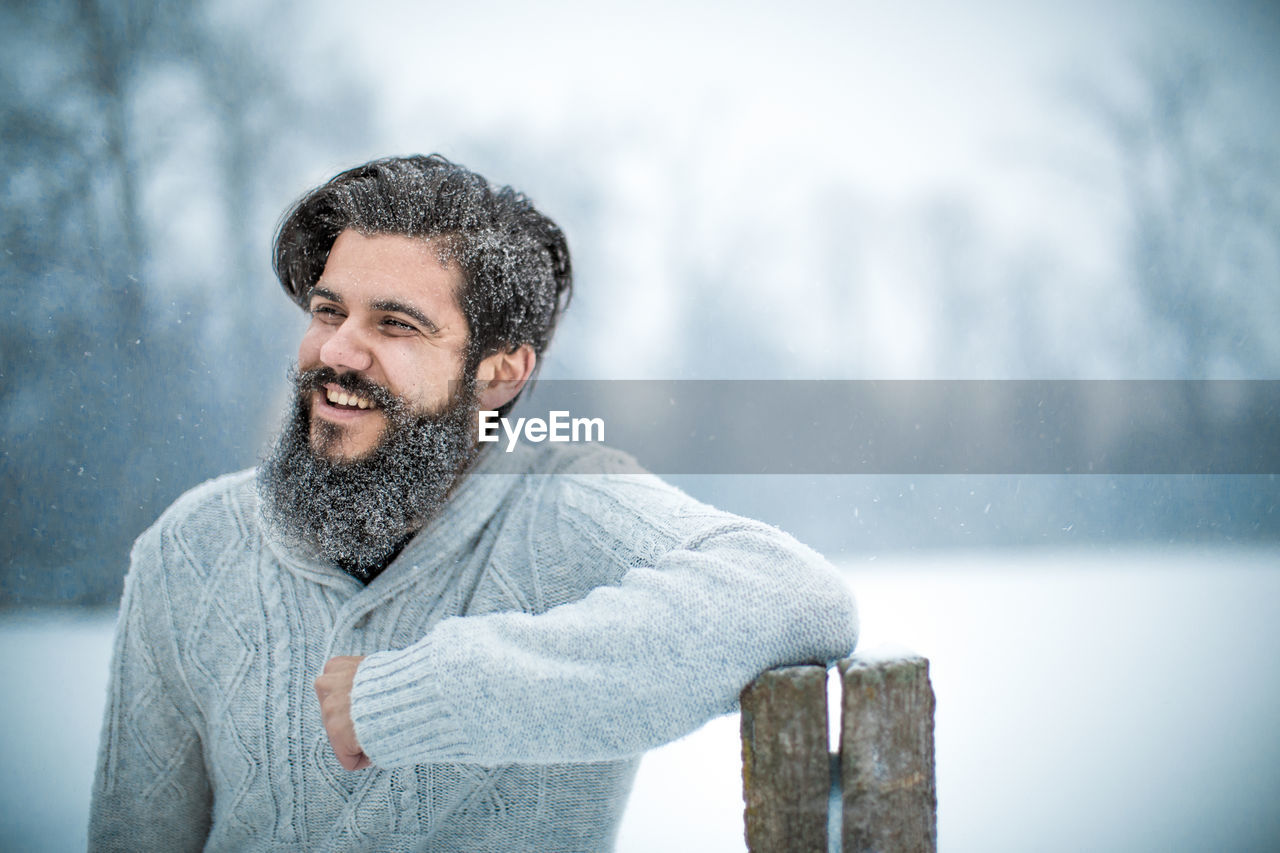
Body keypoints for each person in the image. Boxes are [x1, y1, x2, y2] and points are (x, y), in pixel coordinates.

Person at [89, 154, 858, 851]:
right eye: (329, 312)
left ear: (499, 373)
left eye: (395, 324)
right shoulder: (190, 549)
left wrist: (427, 695)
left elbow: (799, 597)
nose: (337, 351)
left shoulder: (563, 503)